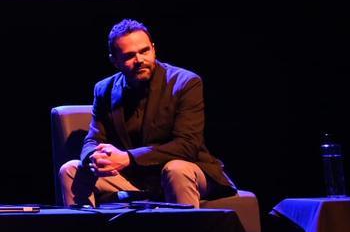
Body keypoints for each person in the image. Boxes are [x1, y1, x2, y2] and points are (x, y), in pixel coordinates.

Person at [58, 19, 237, 207]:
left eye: (144, 51)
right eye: (129, 56)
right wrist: (94, 158)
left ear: (153, 48)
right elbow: (92, 140)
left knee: (176, 169)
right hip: (135, 179)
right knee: (70, 170)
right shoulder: (104, 89)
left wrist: (128, 158)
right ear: (114, 60)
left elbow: (187, 146)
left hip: (188, 171)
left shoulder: (185, 83)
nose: (139, 60)